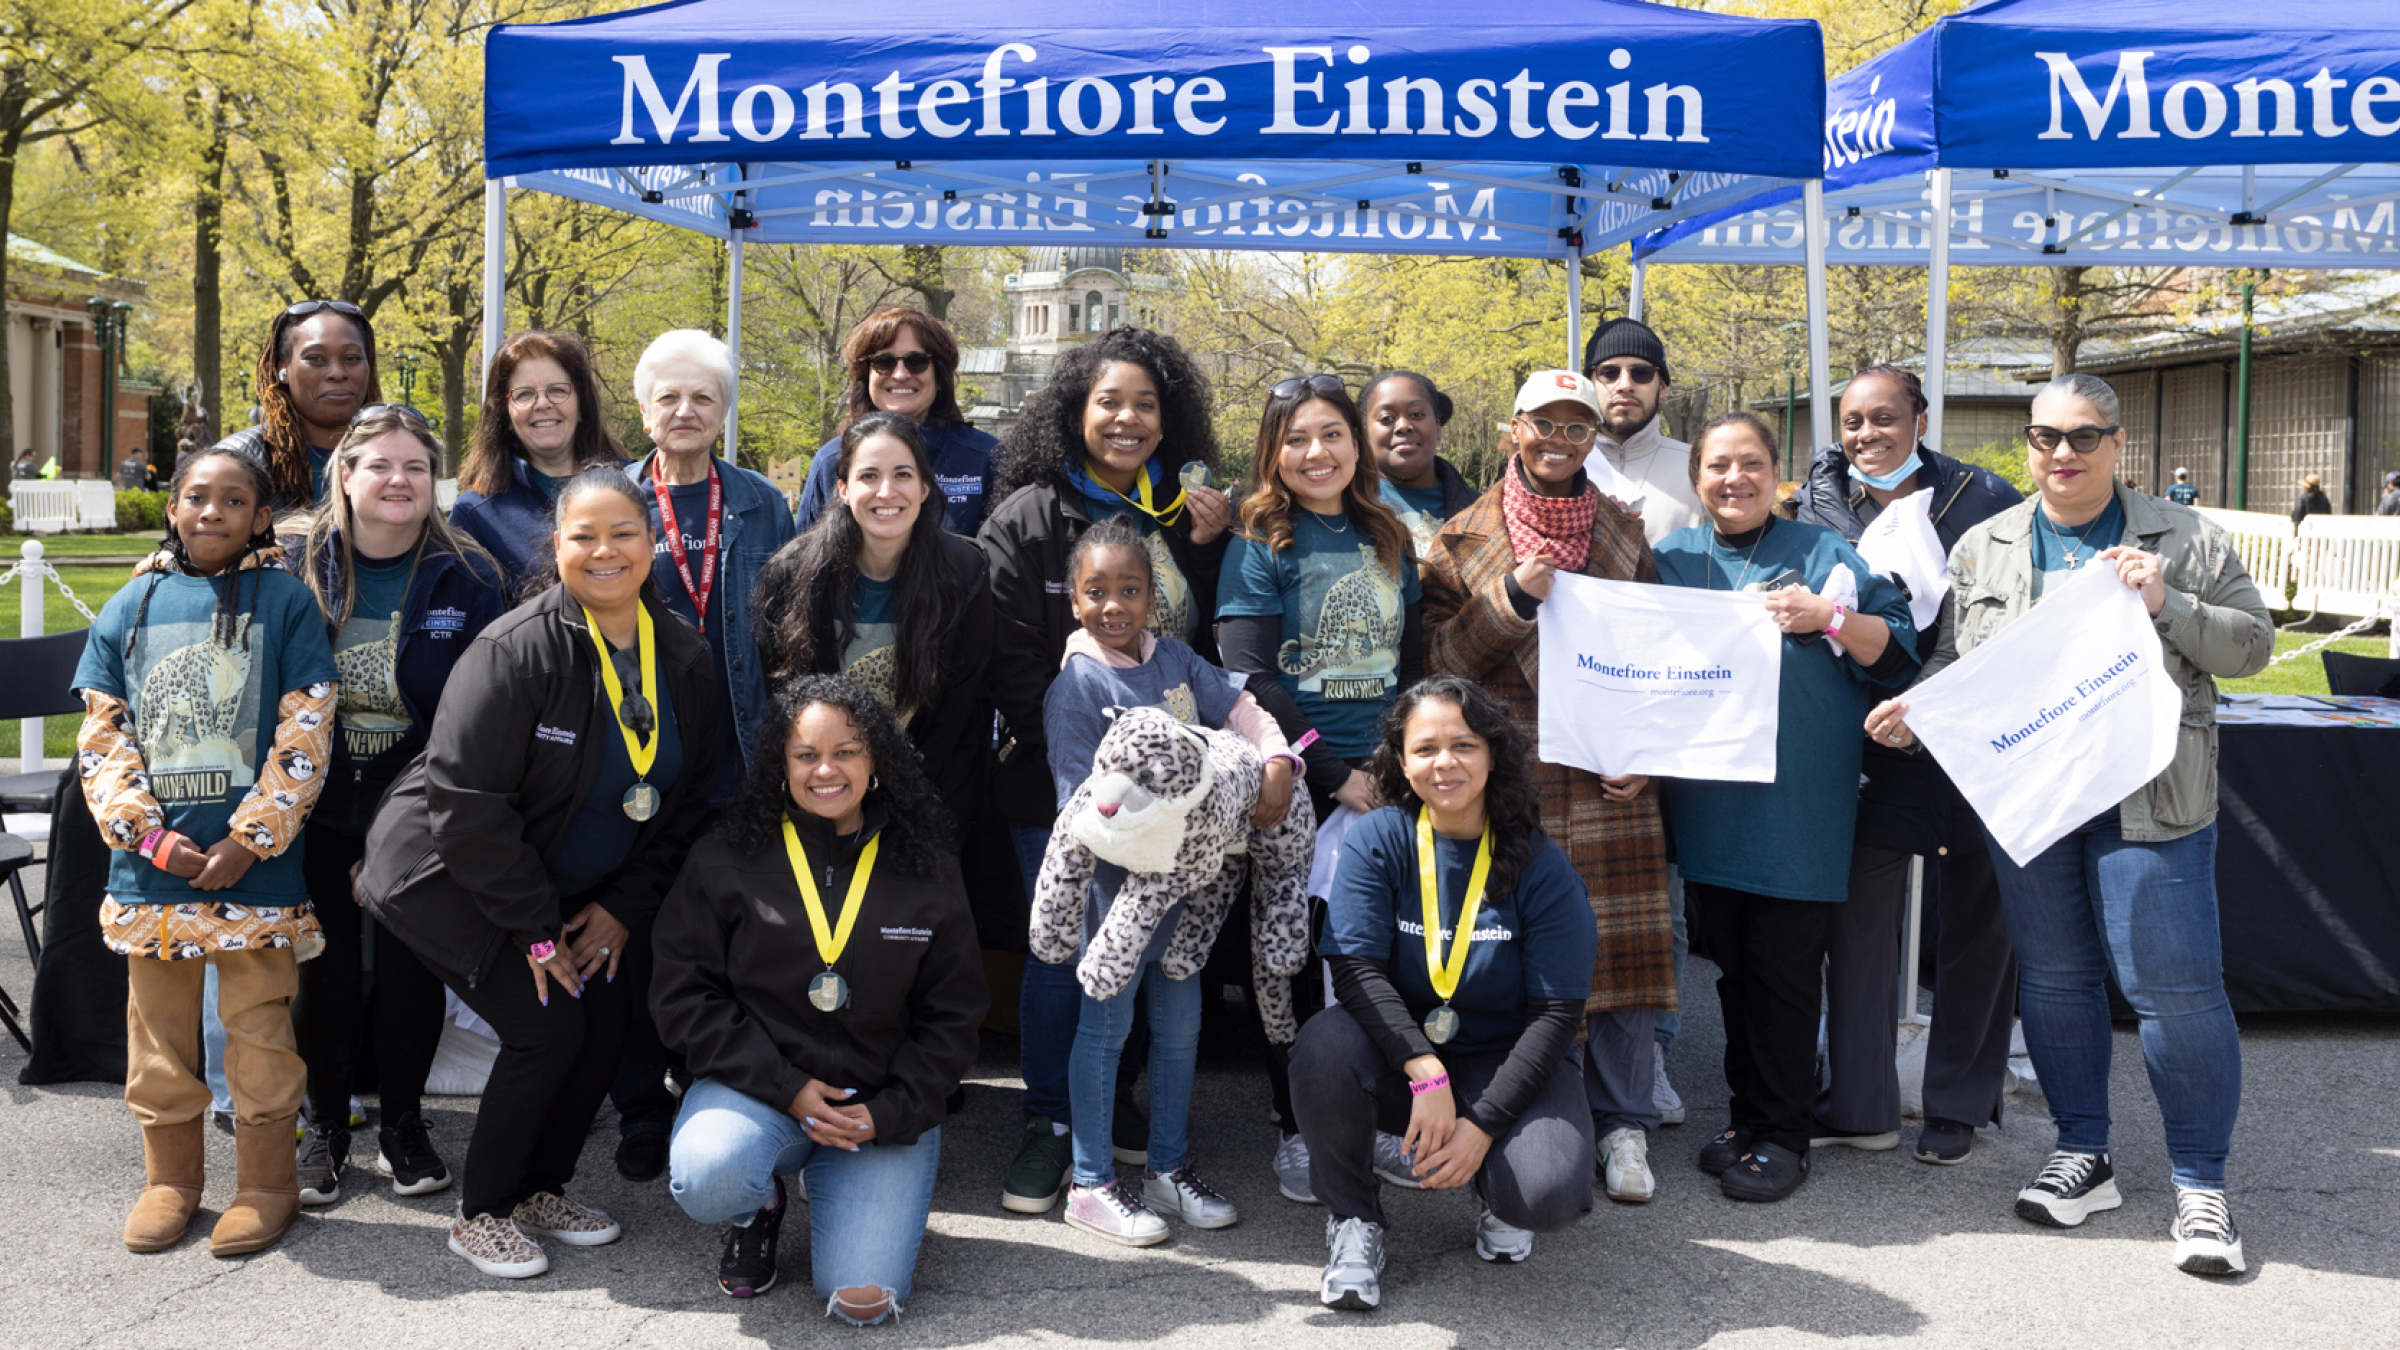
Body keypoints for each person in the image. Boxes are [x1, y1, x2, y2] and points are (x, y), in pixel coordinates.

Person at [1867, 373, 2272, 1277]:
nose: (2062, 454)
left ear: (2118, 445)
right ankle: (2082, 1152)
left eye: (2083, 437)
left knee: (2176, 995)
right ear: (2028, 446)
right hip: (2034, 802)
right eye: (2045, 436)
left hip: (2152, 802)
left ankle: (2200, 1185)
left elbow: (2253, 647)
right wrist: (1915, 707)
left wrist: (2169, 602)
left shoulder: (2186, 537)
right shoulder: (1986, 545)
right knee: (2052, 983)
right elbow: (1953, 664)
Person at [356, 467, 721, 1278]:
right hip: (441, 870)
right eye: (582, 535)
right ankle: (480, 1212)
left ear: (652, 543)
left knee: (604, 1019)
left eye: (623, 533)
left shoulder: (684, 655)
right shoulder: (514, 650)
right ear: (554, 547)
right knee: (547, 1022)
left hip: (562, 882)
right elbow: (468, 803)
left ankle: (536, 1189)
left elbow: (687, 801)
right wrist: (535, 934)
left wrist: (623, 905)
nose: (604, 551)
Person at [977, 326, 1230, 1213]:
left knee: (1150, 955)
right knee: (1066, 957)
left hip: (1182, 790)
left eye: (1147, 405)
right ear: (1074, 412)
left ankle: (1110, 1110)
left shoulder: (1192, 511)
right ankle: (1050, 1127)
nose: (1127, 420)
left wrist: (1207, 544)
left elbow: (1201, 647)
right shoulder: (1029, 517)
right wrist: (1104, 764)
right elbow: (1008, 662)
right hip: (1064, 780)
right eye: (1109, 402)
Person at [70, 446, 339, 1258]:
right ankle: (170, 1181)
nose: (213, 512)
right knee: (157, 1032)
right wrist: (148, 835)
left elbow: (307, 726)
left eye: (233, 500)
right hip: (152, 871)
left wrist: (248, 841)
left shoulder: (289, 603)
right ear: (174, 509)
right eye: (197, 497)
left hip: (254, 875)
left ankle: (265, 1184)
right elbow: (102, 736)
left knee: (258, 1029)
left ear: (262, 516)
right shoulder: (129, 606)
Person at [1420, 370, 1677, 1207]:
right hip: (1510, 771)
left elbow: (1657, 655)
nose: (1562, 441)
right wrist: (1512, 598)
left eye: (1580, 428)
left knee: (1623, 949)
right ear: (1511, 432)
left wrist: (1647, 750)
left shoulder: (1626, 531)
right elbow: (1442, 665)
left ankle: (1624, 1122)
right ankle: (1528, 1107)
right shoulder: (1459, 539)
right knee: (1517, 943)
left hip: (1608, 770)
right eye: (1546, 425)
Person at [655, 675, 987, 1318]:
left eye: (848, 751)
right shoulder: (726, 857)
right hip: (760, 1091)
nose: (826, 770)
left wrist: (887, 1114)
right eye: (806, 755)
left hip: (878, 1105)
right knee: (709, 1177)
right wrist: (787, 1087)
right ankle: (759, 1204)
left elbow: (954, 1015)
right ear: (781, 765)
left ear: (877, 760)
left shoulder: (927, 865)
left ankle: (844, 1181)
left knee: (861, 1300)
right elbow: (683, 995)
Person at [1655, 412, 1917, 1203]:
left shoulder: (1825, 555)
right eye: (1716, 467)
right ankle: (1746, 1118)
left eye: (1750, 465)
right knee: (1734, 971)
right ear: (1695, 479)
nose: (1733, 480)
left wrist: (1829, 617)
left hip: (1797, 806)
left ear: (1779, 476)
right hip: (1709, 807)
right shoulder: (1668, 560)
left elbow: (1898, 648)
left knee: (1787, 972)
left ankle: (1786, 1134)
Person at [1297, 676, 1599, 1310]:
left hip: (1506, 1058)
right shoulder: (1380, 837)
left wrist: (1483, 1127)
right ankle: (1356, 1220)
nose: (1446, 763)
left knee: (1546, 1194)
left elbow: (1556, 1014)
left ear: (1492, 755)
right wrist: (1425, 1071)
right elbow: (1355, 969)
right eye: (1426, 748)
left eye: (1463, 745)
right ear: (1402, 763)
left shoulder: (1540, 863)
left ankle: (1499, 1195)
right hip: (1403, 1057)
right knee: (1323, 1047)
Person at [1041, 513, 1296, 1245]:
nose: (1114, 605)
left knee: (1181, 1028)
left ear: (1153, 597)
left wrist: (1277, 759)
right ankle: (1090, 1182)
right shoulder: (1078, 685)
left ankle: (1168, 1167)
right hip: (1116, 899)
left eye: (1130, 588)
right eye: (1098, 591)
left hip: (1189, 895)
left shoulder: (1180, 660)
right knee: (1109, 1029)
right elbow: (1078, 808)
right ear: (1077, 601)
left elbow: (1240, 707)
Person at [1793, 366, 2023, 1164]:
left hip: (1970, 734)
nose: (1867, 435)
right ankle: (1860, 1101)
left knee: (1978, 926)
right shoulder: (1823, 502)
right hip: (1870, 742)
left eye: (1884, 418)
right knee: (1858, 926)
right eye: (1853, 421)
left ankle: (1959, 1103)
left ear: (1920, 420)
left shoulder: (1985, 499)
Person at [286, 406, 509, 1207]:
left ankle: (405, 1124)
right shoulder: (290, 565)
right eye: (379, 465)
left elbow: (471, 719)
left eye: (415, 468)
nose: (398, 481)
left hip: (417, 809)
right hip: (307, 808)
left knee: (413, 970)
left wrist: (388, 834)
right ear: (344, 475)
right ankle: (327, 1126)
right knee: (329, 973)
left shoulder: (472, 576)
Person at [1216, 374, 1423, 1202]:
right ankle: (1297, 1125)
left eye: (1331, 434)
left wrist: (1392, 765)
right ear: (1274, 452)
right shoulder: (1260, 540)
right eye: (1296, 439)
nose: (1316, 453)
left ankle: (1378, 1120)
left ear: (1355, 443)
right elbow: (1250, 675)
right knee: (1290, 963)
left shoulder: (1387, 534)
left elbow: (1409, 664)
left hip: (1387, 781)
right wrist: (1335, 776)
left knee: (1379, 956)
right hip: (1305, 783)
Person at [619, 329, 797, 1178]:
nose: (685, 411)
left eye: (704, 398)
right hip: (642, 759)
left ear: (723, 412)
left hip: (744, 757)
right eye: (670, 397)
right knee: (645, 932)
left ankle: (710, 1087)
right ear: (644, 408)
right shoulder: (612, 500)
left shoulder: (764, 504)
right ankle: (641, 1108)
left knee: (729, 939)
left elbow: (791, 632)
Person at [755, 412, 993, 817]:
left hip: (929, 798)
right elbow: (784, 705)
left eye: (902, 475)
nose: (886, 491)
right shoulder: (792, 576)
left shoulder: (966, 573)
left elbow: (962, 716)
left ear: (923, 488)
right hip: (822, 795)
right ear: (844, 489)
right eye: (868, 476)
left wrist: (911, 806)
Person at [791, 307, 1000, 537]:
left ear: (940, 377)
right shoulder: (831, 461)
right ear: (865, 376)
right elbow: (806, 559)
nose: (900, 374)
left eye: (916, 361)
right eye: (884, 362)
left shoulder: (986, 458)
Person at [452, 330, 629, 594]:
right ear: (505, 414)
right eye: (524, 395)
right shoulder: (476, 514)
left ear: (582, 406)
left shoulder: (633, 487)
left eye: (557, 391)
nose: (543, 404)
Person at [217, 299, 382, 510]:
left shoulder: (401, 457)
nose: (338, 373)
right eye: (316, 358)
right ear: (283, 369)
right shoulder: (236, 462)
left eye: (351, 358)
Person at [1581, 317, 1705, 544]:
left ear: (1663, 387)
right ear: (1590, 385)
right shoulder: (1562, 467)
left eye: (1641, 373)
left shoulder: (1701, 467)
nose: (1624, 384)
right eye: (1609, 373)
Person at [1360, 370, 1475, 555]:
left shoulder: (1484, 511)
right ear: (1365, 435)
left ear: (1437, 427)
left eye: (1416, 414)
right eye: (1386, 418)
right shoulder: (1343, 505)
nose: (1403, 425)